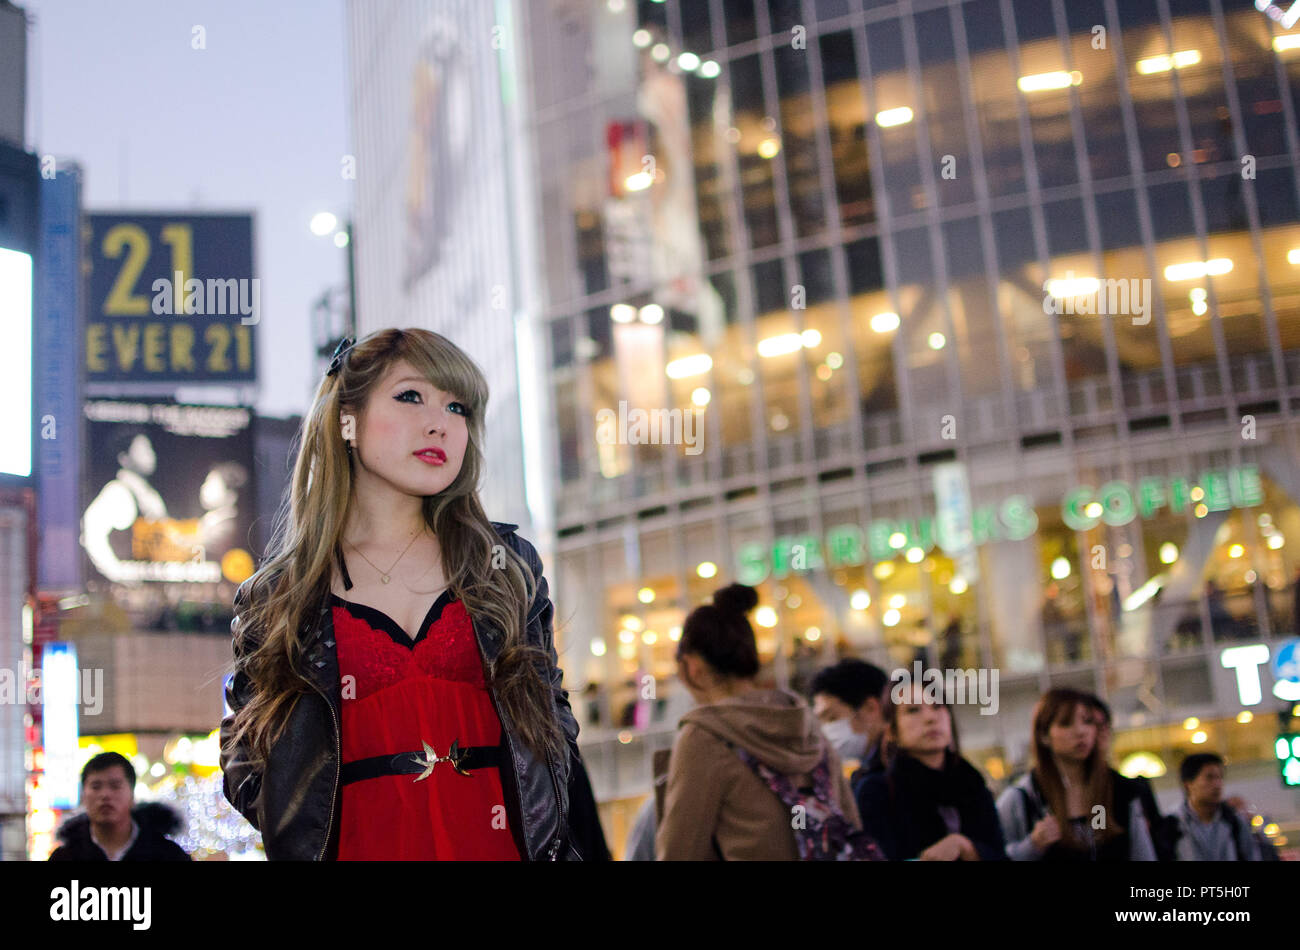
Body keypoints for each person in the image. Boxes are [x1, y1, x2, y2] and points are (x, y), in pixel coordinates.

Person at [219, 328, 588, 861]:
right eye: (410, 396)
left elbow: (552, 719)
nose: (440, 422)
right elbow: (247, 754)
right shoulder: (280, 597)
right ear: (347, 419)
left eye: (458, 406)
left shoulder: (504, 567)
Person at [655, 583, 862, 860]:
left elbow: (680, 851)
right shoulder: (801, 719)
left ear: (692, 667)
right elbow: (850, 822)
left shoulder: (704, 736)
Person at [996, 687, 1156, 861]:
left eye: (1087, 722)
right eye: (1066, 723)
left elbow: (1143, 854)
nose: (1081, 732)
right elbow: (996, 853)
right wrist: (1032, 845)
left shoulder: (1121, 789)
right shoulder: (1022, 798)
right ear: (1044, 735)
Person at [854, 686, 1006, 861]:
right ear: (893, 730)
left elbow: (1000, 853)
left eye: (937, 706)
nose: (930, 718)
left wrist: (966, 847)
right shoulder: (877, 792)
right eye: (913, 710)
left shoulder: (971, 783)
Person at [1084, 693, 1176, 861]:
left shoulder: (1128, 789)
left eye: (1103, 725)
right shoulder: (1041, 791)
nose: (1099, 733)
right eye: (1090, 724)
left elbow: (1149, 847)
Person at [49, 753, 189, 861]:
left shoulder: (168, 856)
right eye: (96, 787)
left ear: (132, 794)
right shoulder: (65, 857)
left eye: (115, 786)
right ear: (84, 796)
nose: (105, 795)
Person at [808, 658, 889, 793]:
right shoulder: (866, 770)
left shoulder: (895, 772)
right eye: (820, 722)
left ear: (870, 708)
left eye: (832, 717)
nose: (825, 730)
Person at [1173, 753, 1260, 861]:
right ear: (1188, 784)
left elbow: (1251, 855)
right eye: (1209, 777)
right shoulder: (1173, 825)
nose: (1217, 784)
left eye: (1220, 777)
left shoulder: (1234, 822)